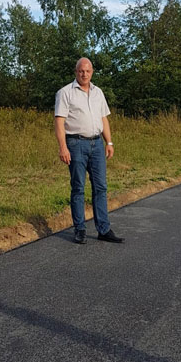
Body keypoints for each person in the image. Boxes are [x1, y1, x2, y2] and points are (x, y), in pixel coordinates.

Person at [54, 58, 123, 244]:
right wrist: (63, 147)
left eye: (88, 71)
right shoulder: (65, 93)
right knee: (78, 187)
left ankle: (104, 229)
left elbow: (104, 118)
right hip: (76, 144)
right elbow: (59, 121)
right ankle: (80, 229)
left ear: (92, 72)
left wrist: (109, 142)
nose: (84, 74)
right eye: (81, 71)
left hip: (97, 144)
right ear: (76, 72)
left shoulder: (98, 92)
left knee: (100, 187)